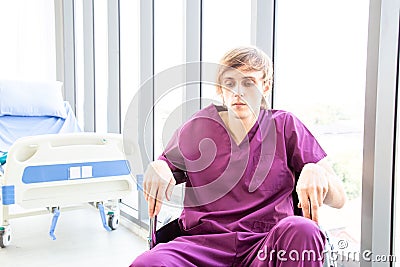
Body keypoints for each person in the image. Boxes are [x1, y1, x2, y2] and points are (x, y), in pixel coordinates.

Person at [131, 46, 346, 266]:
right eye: (230, 83)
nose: (238, 92)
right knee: (149, 263)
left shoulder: (284, 126)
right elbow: (167, 166)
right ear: (219, 89)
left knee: (303, 229)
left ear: (266, 86)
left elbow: (339, 198)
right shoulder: (199, 127)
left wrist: (316, 170)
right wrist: (159, 166)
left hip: (266, 247)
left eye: (248, 83)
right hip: (203, 246)